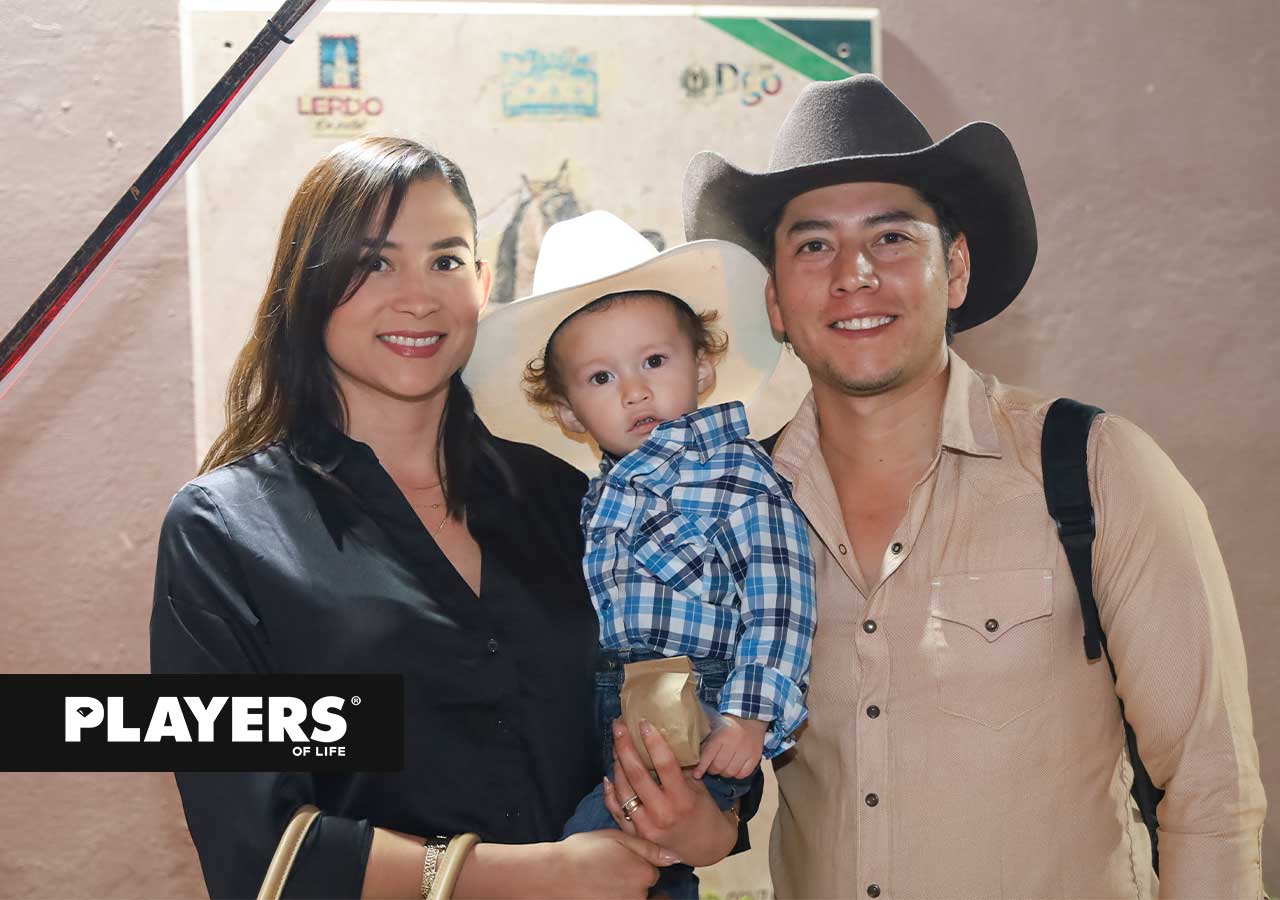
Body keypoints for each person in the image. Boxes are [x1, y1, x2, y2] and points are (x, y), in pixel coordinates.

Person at [683, 74, 1266, 899]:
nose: (854, 274)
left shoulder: (1095, 471)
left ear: (953, 270)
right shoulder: (738, 512)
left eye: (892, 237)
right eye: (813, 246)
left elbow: (1211, 790)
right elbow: (714, 786)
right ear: (776, 301)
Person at [150, 136, 747, 900]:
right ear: (311, 284)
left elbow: (689, 698)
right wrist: (538, 878)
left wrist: (709, 826)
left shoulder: (572, 501)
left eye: (446, 260)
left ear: (483, 284)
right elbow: (259, 849)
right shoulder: (224, 532)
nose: (418, 297)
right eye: (375, 263)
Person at [471, 211, 815, 898]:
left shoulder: (735, 474)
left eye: (654, 362)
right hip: (620, 699)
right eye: (600, 378)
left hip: (698, 699)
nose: (634, 390)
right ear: (568, 412)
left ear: (702, 366)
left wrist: (751, 713)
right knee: (645, 866)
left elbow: (781, 600)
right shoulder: (594, 497)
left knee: (595, 850)